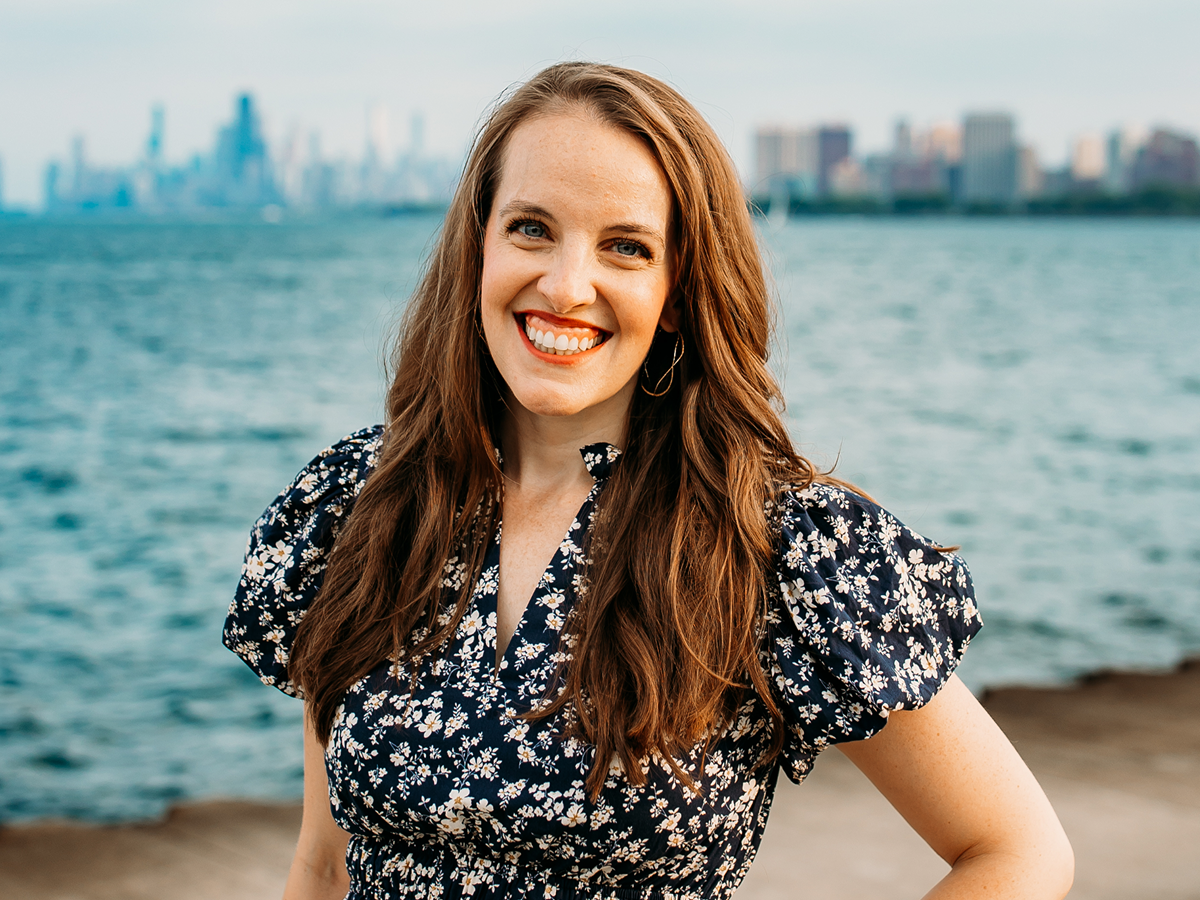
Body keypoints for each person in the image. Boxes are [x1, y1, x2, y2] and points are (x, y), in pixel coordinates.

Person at [224, 62, 1073, 899]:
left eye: (625, 247)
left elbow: (1015, 851)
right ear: (478, 244)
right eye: (531, 228)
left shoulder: (772, 545)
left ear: (676, 291)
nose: (565, 286)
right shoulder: (358, 507)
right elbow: (323, 864)